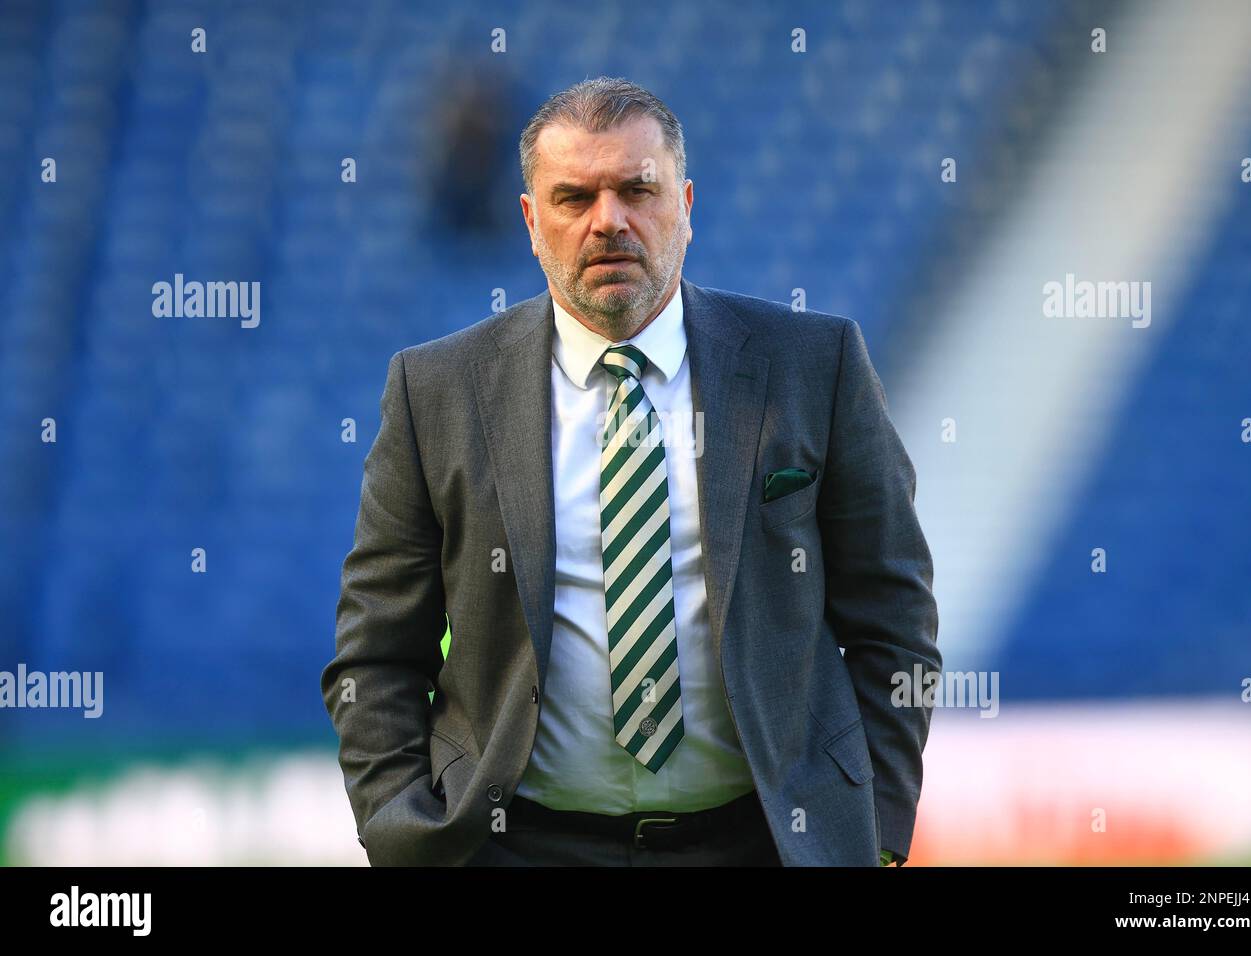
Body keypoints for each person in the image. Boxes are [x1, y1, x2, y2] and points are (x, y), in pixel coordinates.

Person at [321, 76, 941, 866]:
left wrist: (875, 835)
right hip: (519, 848)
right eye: (574, 197)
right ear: (530, 221)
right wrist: (407, 836)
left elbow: (895, 620)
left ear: (685, 204)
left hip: (761, 845)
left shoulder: (812, 368)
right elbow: (375, 656)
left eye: (636, 190)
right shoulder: (435, 391)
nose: (608, 221)